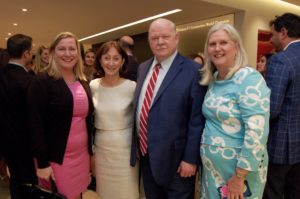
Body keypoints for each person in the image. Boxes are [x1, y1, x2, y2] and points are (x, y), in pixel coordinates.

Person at [130, 18, 206, 199]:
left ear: (176, 37)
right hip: (147, 156)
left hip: (178, 162)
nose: (160, 42)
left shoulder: (194, 70)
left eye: (165, 36)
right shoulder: (143, 68)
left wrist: (190, 159)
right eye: (154, 38)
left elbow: (197, 120)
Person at [199, 23, 270, 199]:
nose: (217, 48)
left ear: (236, 47)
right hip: (212, 171)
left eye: (223, 42)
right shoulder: (214, 79)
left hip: (239, 171)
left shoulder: (249, 78)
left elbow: (257, 132)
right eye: (212, 44)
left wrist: (239, 176)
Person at [27, 32, 94, 199]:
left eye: (72, 49)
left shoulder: (82, 81)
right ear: (52, 52)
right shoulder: (42, 81)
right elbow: (34, 124)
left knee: (78, 194)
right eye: (62, 49)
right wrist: (42, 163)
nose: (68, 53)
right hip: (57, 159)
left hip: (82, 155)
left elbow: (87, 119)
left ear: (78, 54)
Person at [90, 41, 139, 199]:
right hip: (101, 147)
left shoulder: (132, 87)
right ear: (100, 60)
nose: (111, 63)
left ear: (123, 61)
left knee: (127, 191)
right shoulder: (93, 86)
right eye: (106, 58)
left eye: (116, 58)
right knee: (105, 192)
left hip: (125, 150)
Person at [263, 13, 300, 199]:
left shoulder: (280, 60)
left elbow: (271, 108)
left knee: (273, 193)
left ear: (283, 32)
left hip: (281, 146)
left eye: (272, 35)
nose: (271, 40)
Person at [0, 34, 37, 199]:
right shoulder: (29, 81)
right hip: (25, 142)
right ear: (26, 53)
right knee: (27, 183)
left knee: (15, 179)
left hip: (5, 140)